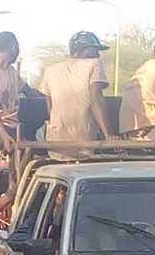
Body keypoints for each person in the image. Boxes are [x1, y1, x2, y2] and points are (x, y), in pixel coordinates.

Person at [40, 31, 115, 160]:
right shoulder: (94, 64)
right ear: (83, 50)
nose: (98, 54)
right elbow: (96, 98)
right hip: (84, 141)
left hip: (55, 142)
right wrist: (109, 135)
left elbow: (50, 108)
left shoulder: (50, 70)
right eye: (95, 50)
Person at [0, 31, 43, 154]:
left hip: (12, 126)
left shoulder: (11, 72)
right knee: (23, 137)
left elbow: (29, 92)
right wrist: (4, 136)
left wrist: (48, 98)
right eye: (18, 48)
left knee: (39, 139)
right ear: (13, 47)